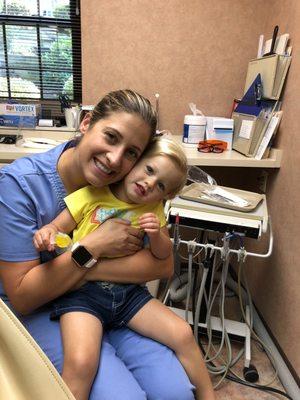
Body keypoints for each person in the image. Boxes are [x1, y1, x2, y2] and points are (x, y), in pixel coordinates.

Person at [0, 89, 198, 400]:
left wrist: (90, 267)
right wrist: (93, 247)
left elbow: (162, 266)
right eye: (110, 136)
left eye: (132, 152)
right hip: (40, 307)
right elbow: (24, 296)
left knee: (176, 393)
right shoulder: (19, 186)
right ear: (86, 123)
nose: (115, 159)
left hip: (113, 299)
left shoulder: (126, 188)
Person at [33, 137, 215, 400]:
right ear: (134, 163)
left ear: (165, 196)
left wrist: (157, 236)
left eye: (160, 185)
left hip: (128, 296)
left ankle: (209, 396)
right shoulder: (91, 195)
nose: (149, 183)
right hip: (82, 296)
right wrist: (46, 233)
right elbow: (57, 227)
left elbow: (162, 257)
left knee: (183, 333)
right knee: (81, 363)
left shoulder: (152, 210)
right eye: (149, 170)